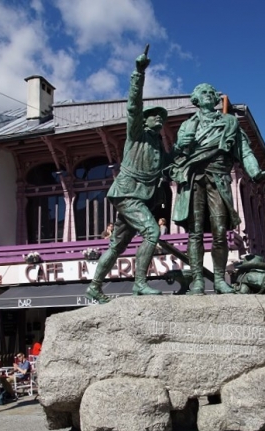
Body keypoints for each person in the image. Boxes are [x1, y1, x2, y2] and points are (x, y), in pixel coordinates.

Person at [168, 82, 265, 294]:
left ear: (216, 99)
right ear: (196, 99)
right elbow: (175, 157)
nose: (208, 95)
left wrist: (255, 172)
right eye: (203, 93)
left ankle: (218, 279)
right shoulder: (187, 125)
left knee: (220, 232)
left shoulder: (229, 123)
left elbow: (244, 151)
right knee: (194, 233)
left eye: (211, 93)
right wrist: (180, 147)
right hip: (193, 180)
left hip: (218, 179)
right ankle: (197, 280)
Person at [85, 47, 169, 303]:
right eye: (155, 116)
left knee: (117, 245)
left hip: (139, 199)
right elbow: (134, 105)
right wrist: (138, 72)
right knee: (152, 233)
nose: (159, 119)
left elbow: (172, 166)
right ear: (145, 121)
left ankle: (94, 287)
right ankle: (140, 284)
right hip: (127, 193)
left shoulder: (159, 148)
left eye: (161, 117)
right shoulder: (136, 134)